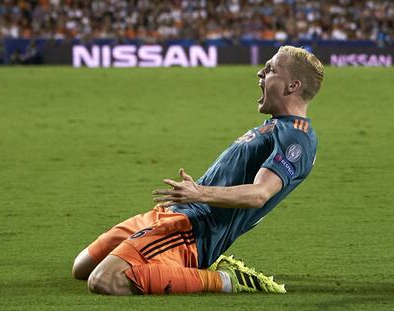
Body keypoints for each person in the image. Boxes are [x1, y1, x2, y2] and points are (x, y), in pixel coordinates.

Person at [72, 45, 324, 295]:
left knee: (105, 280)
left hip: (194, 230)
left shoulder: (297, 138)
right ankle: (179, 263)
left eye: (271, 70)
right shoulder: (276, 126)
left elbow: (259, 194)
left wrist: (198, 194)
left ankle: (225, 280)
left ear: (292, 86)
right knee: (82, 267)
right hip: (172, 214)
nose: (260, 73)